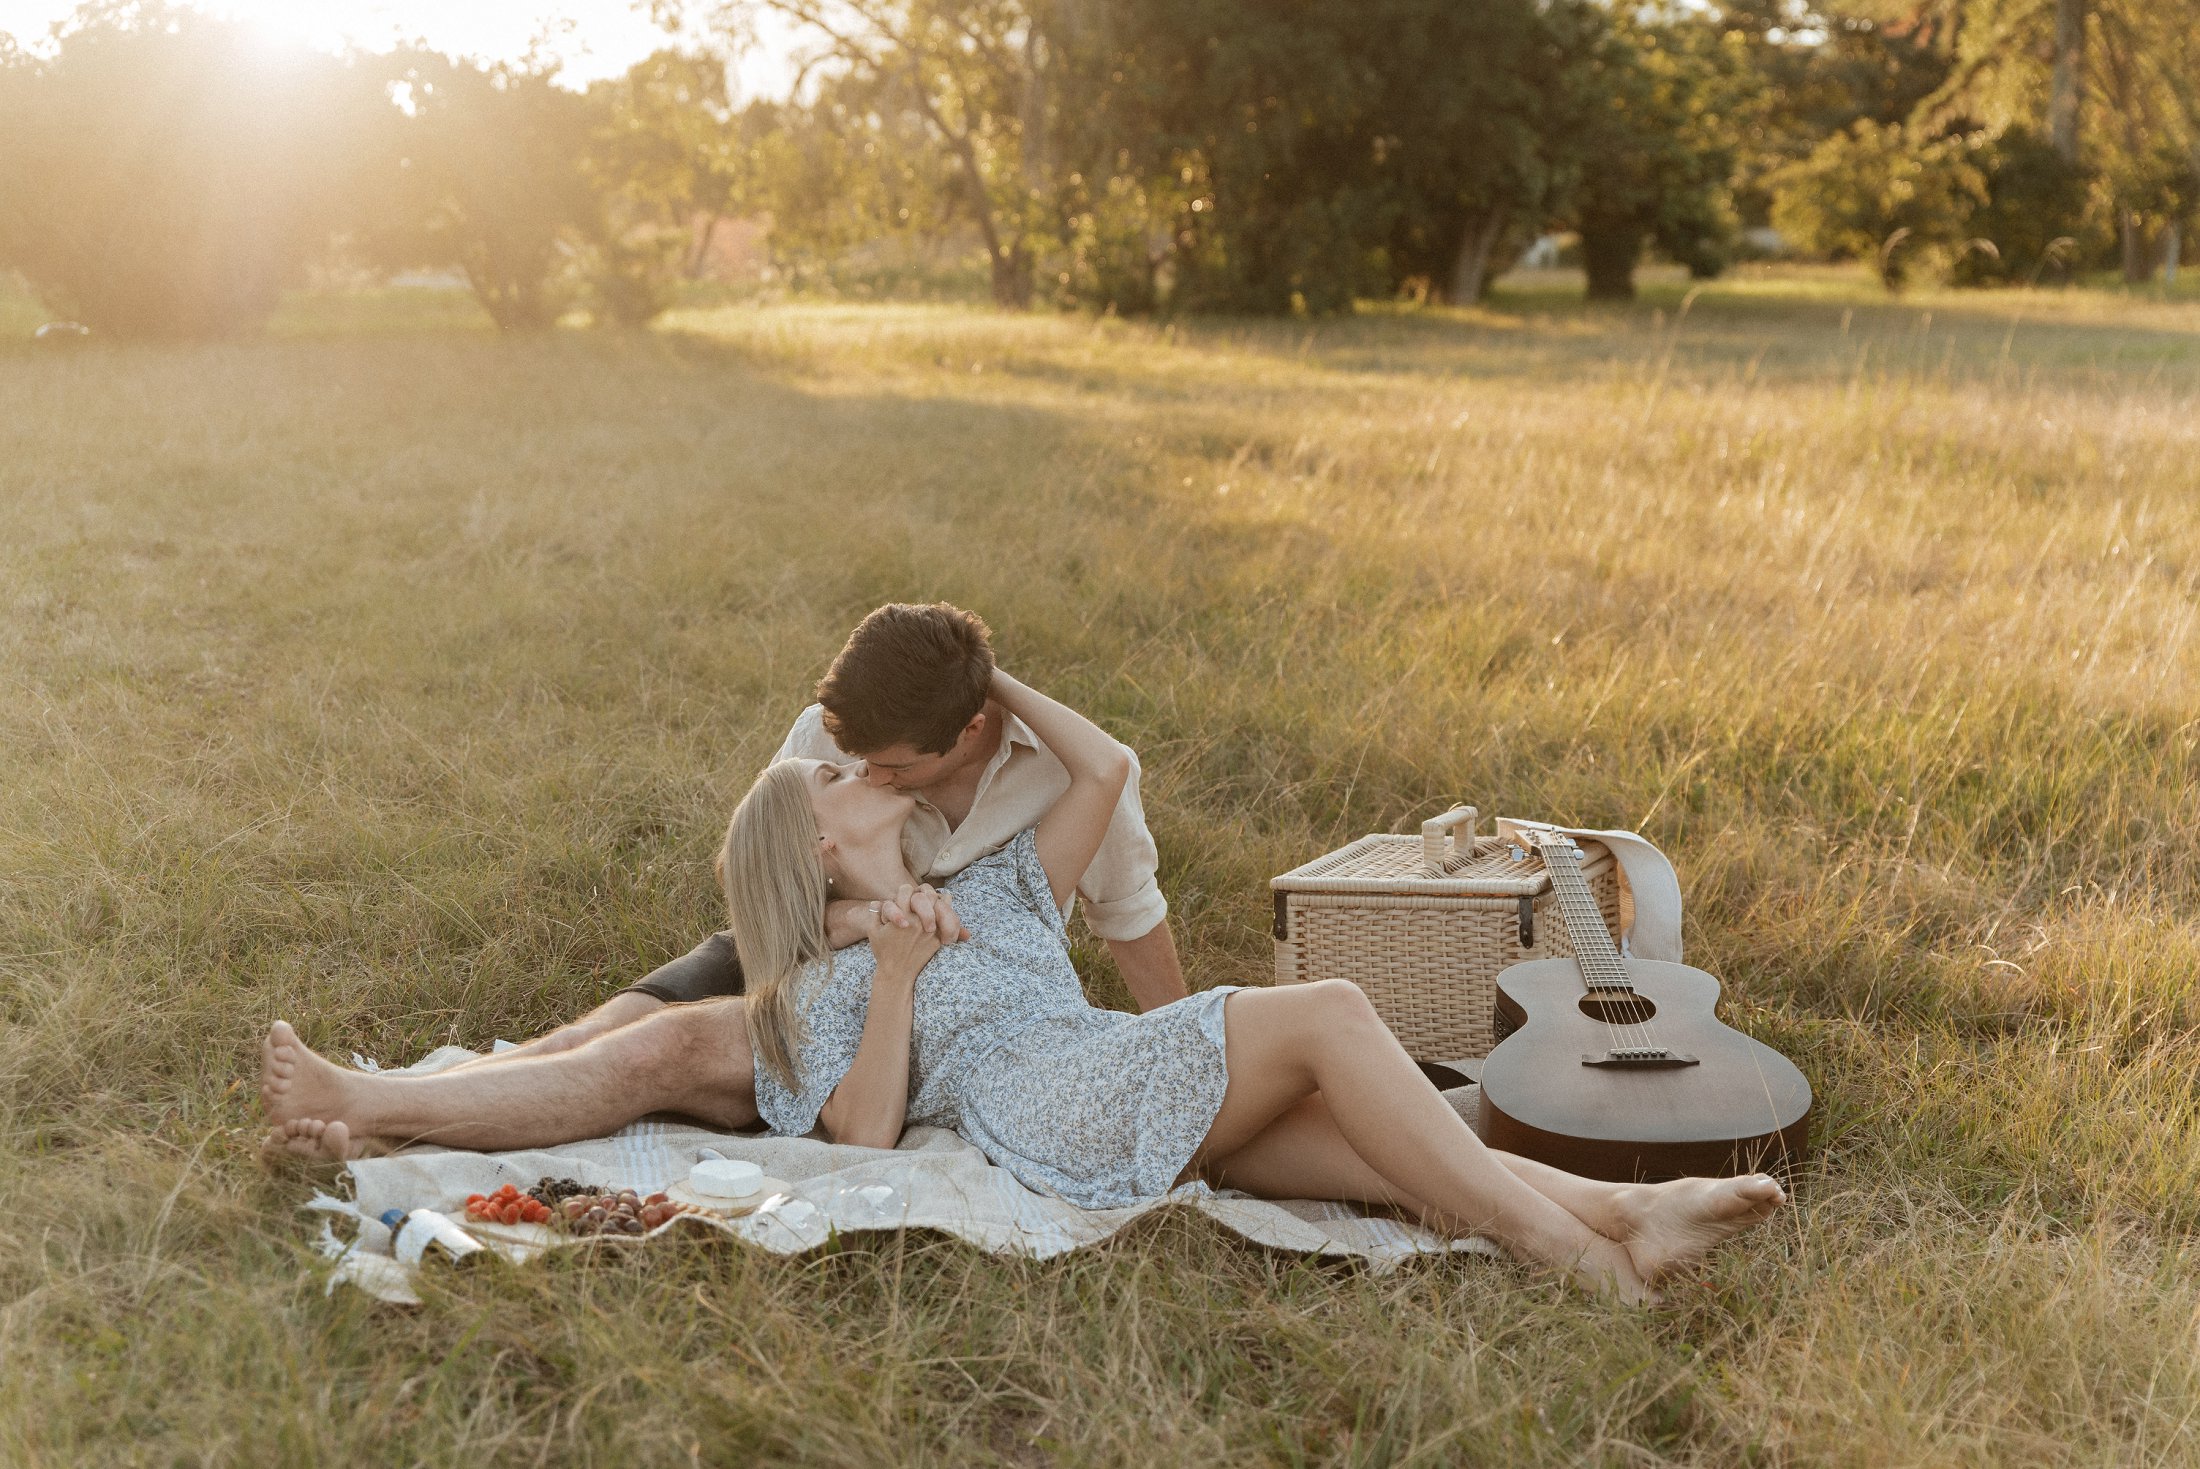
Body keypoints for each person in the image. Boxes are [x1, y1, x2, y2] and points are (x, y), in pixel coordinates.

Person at [259, 665, 1786, 1303]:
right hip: (1047, 1096)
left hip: (1113, 1079)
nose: (853, 773)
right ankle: (1576, 1262)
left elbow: (1106, 766)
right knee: (1326, 1015)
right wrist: (903, 975)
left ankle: (1625, 1218)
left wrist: (996, 695)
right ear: (817, 845)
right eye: (839, 783)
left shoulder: (990, 879)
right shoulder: (825, 995)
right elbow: (856, 1147)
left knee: (1402, 1163)